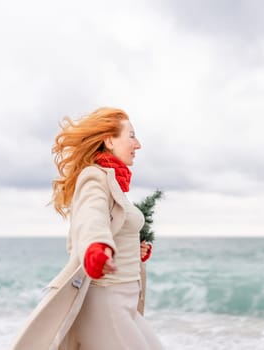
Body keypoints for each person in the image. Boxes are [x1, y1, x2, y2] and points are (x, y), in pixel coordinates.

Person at [11, 107, 163, 350]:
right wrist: (96, 248)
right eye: (132, 135)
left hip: (125, 302)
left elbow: (114, 225)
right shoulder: (94, 176)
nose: (139, 144)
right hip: (105, 302)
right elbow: (91, 218)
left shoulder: (115, 183)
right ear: (109, 140)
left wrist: (134, 252)